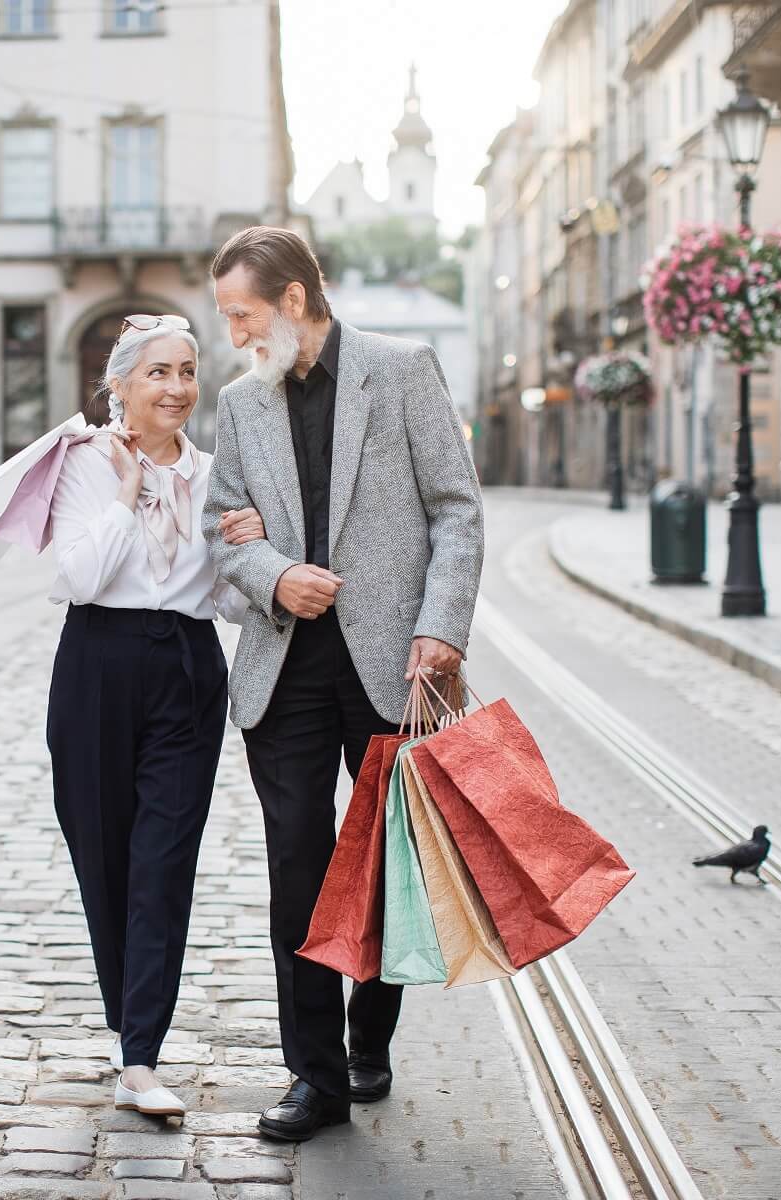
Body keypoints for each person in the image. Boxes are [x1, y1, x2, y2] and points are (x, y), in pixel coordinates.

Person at [201, 226, 485, 1142]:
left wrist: (440, 627)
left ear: (292, 300)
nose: (234, 334)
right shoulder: (239, 404)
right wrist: (274, 574)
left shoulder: (401, 370)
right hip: (282, 669)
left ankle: (373, 1040)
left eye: (242, 314)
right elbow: (219, 532)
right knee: (298, 870)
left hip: (388, 667)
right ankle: (312, 1077)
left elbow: (456, 506)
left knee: (377, 870)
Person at [45, 314, 264, 1118]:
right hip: (96, 665)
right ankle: (128, 1016)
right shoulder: (82, 464)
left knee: (164, 861)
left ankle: (141, 1054)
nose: (176, 388)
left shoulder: (215, 475)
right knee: (103, 856)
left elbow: (229, 602)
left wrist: (251, 547)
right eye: (157, 374)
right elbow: (76, 576)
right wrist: (127, 497)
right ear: (120, 387)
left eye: (186, 371)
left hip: (186, 668)